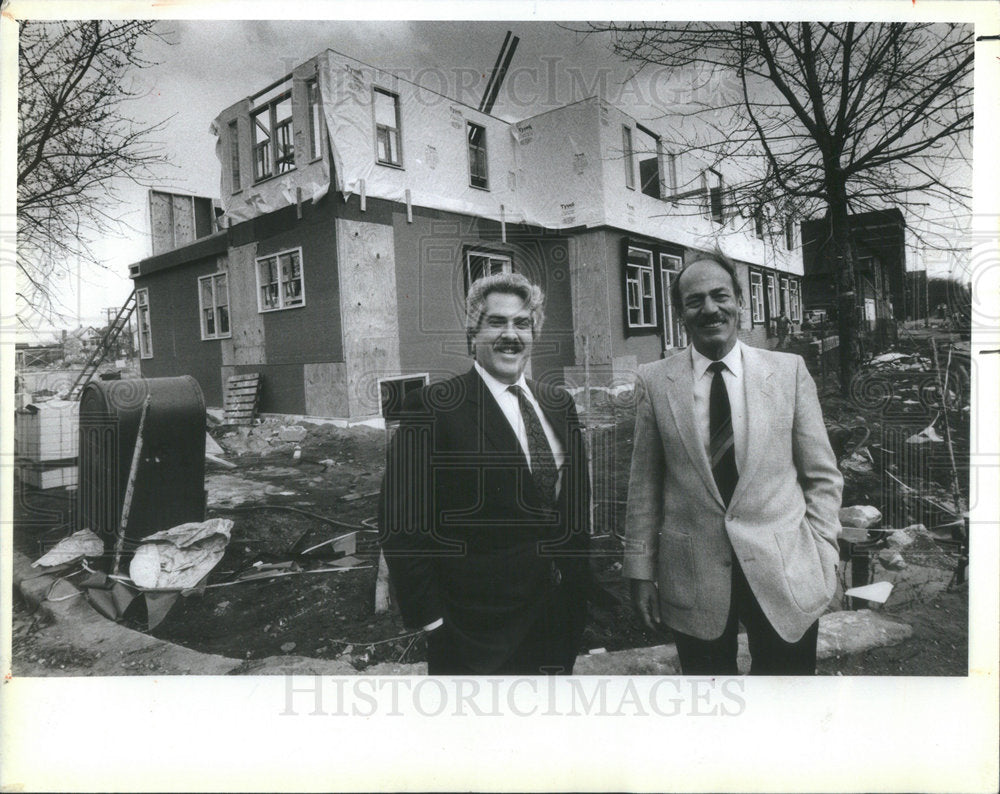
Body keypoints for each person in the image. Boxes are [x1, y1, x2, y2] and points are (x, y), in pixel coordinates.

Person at [624, 256, 842, 675]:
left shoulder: (788, 371)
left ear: (740, 302)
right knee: (711, 710)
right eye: (694, 301)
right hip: (694, 575)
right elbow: (643, 488)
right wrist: (639, 569)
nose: (709, 309)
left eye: (720, 296)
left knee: (787, 704)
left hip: (785, 569)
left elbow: (822, 475)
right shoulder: (655, 381)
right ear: (680, 314)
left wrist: (824, 551)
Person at [379, 272, 591, 675]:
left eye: (522, 323)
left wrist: (580, 589)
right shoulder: (434, 408)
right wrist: (434, 622)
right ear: (473, 334)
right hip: (474, 637)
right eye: (497, 322)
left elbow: (574, 505)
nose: (510, 335)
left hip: (556, 622)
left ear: (534, 333)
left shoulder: (558, 403)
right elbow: (400, 522)